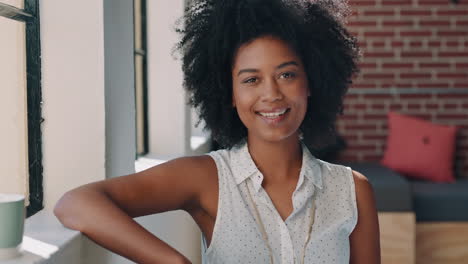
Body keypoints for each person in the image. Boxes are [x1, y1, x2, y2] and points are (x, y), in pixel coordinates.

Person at [54, 0, 380, 263]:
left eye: (287, 75)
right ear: (230, 95)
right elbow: (76, 203)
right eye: (251, 80)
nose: (272, 94)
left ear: (312, 82)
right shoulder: (208, 178)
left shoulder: (351, 191)